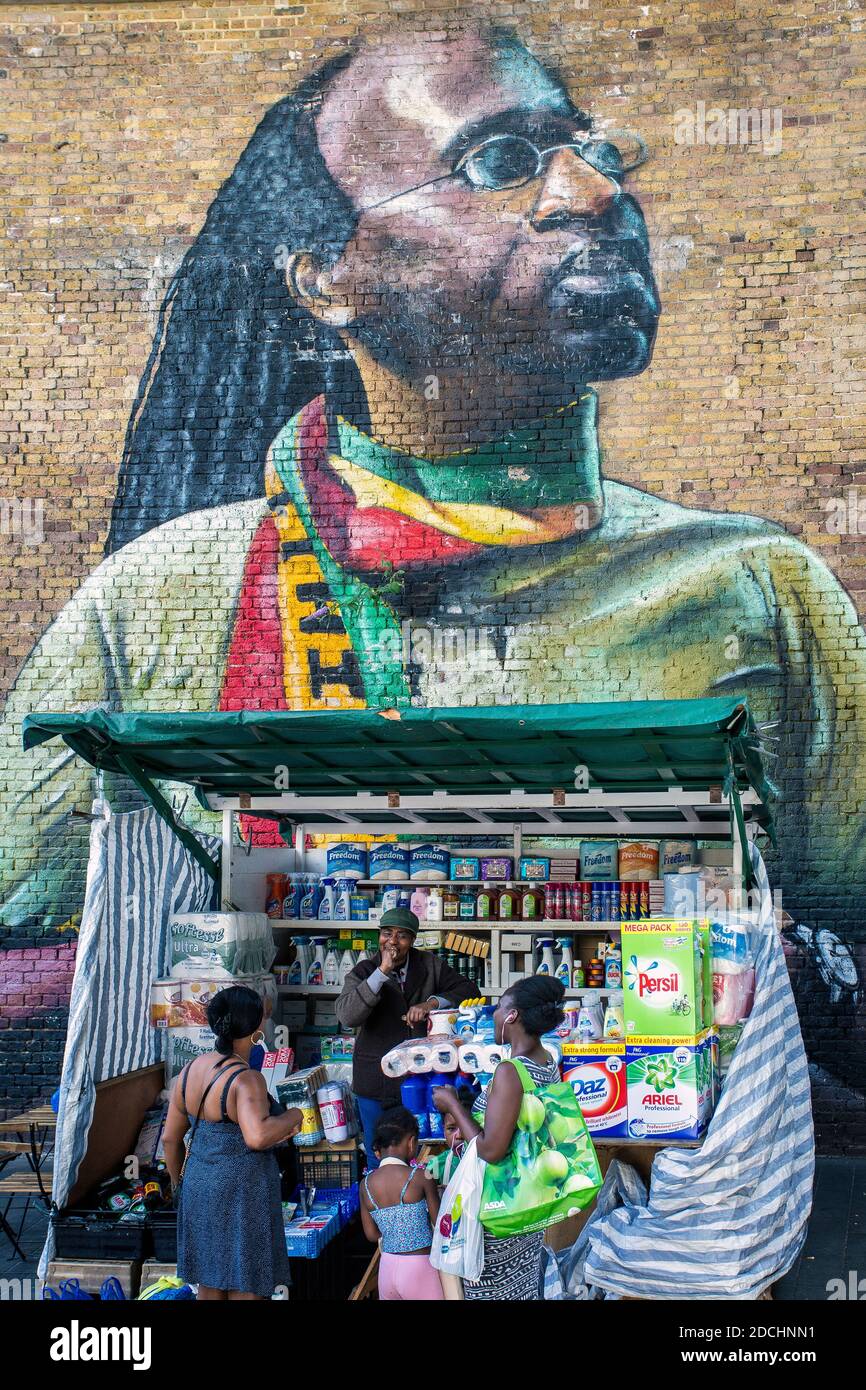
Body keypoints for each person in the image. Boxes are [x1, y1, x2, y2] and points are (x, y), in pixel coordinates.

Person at [3, 21, 865, 1105]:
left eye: (592, 152)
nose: (592, 194)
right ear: (325, 276)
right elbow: (18, 964)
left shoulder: (755, 589)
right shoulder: (164, 599)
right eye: (498, 163)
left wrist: (793, 986)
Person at [162, 984, 303, 1301]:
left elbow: (171, 1139)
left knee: (210, 1281)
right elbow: (258, 1136)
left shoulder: (189, 1071)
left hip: (199, 1186)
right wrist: (293, 1116)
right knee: (247, 1281)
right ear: (255, 1030)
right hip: (242, 1191)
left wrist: (177, 1183)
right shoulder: (247, 1078)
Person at [432, 976, 565, 1302]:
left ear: (512, 1015)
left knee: (491, 1290)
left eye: (499, 1006)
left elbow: (492, 1149)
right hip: (528, 1205)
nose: (492, 1014)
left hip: (497, 1214)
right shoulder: (546, 1061)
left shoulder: (511, 1071)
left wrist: (452, 1105)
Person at [335, 907, 471, 1166]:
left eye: (402, 936)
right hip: (375, 1079)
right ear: (379, 937)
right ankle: (380, 1203)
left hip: (421, 1078)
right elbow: (347, 1016)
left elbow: (467, 989)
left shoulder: (430, 965)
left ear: (412, 940)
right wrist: (381, 972)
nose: (393, 942)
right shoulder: (364, 970)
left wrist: (431, 1004)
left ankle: (417, 1202)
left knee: (421, 1152)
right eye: (387, 934)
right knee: (380, 1155)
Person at [358, 1105, 444, 1301]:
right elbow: (439, 1223)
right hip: (419, 1268)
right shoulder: (421, 1177)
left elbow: (371, 1235)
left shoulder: (366, 1185)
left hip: (387, 1268)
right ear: (411, 1142)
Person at [425, 1094, 469, 1193]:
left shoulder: (484, 1162)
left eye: (464, 1128)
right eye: (451, 1129)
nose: (459, 1135)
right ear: (443, 1129)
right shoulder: (436, 1165)